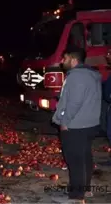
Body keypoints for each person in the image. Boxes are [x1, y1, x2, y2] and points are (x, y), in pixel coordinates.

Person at [51, 48, 101, 204]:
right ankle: (83, 190)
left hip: (76, 125)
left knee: (75, 160)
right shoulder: (90, 74)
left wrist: (64, 121)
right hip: (88, 123)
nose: (61, 61)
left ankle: (76, 196)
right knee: (84, 157)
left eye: (64, 58)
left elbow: (75, 103)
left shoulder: (77, 76)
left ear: (73, 60)